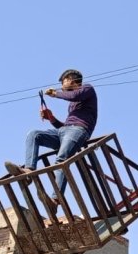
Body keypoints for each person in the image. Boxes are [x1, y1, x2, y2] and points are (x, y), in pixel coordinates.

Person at [5, 69, 97, 211]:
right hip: (65, 130)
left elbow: (74, 95)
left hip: (79, 130)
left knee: (61, 159)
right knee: (34, 134)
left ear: (71, 79)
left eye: (63, 81)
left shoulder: (87, 89)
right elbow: (64, 128)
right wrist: (51, 118)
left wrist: (55, 94)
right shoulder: (72, 103)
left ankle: (55, 201)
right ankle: (28, 172)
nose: (61, 85)